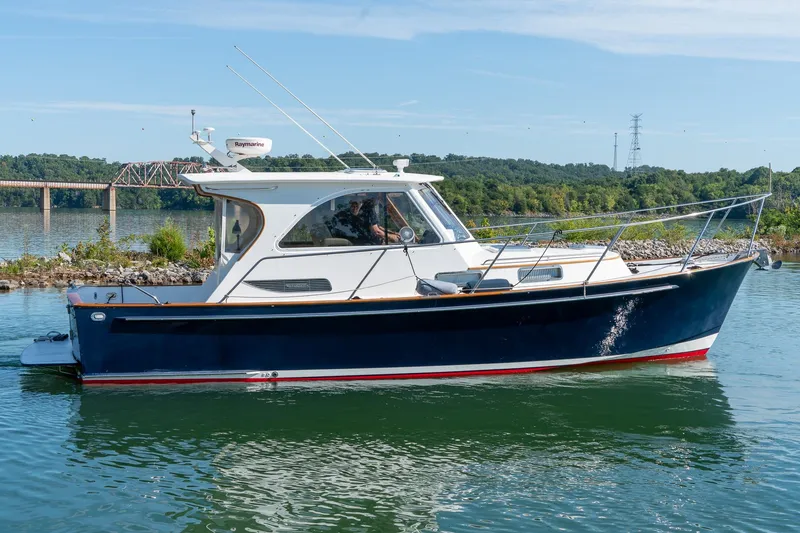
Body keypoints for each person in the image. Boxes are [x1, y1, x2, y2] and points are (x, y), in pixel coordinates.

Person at [333, 195, 401, 245]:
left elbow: (377, 226)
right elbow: (376, 232)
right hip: (365, 244)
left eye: (356, 205)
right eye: (352, 205)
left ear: (361, 204)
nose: (354, 208)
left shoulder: (366, 212)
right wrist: (393, 237)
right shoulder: (369, 211)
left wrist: (393, 233)